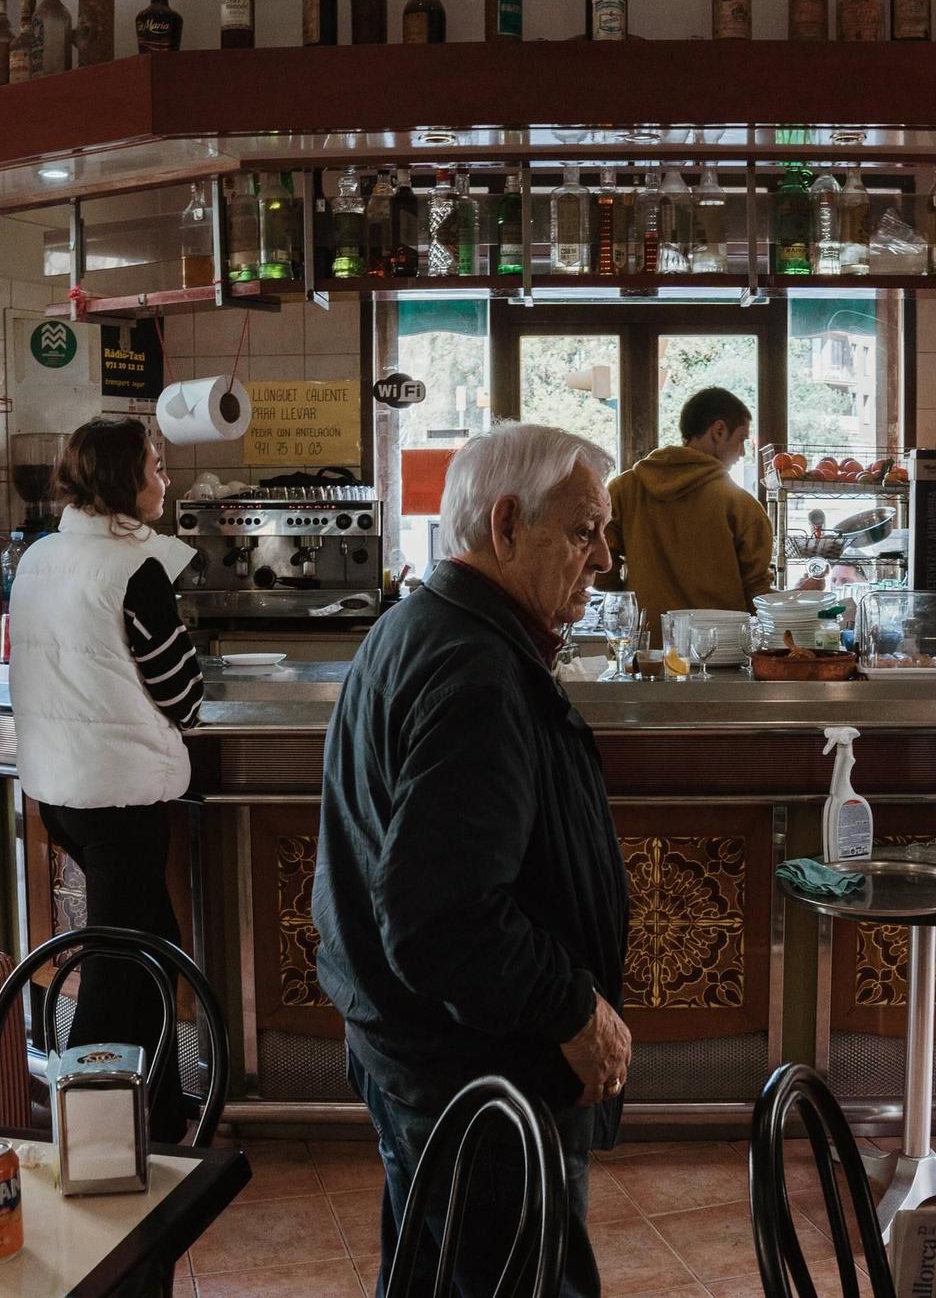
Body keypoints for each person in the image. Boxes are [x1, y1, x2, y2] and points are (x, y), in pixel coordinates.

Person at [313, 422, 633, 1297]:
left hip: (425, 1058)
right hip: (475, 1075)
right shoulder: (476, 670)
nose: (604, 556)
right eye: (582, 530)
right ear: (504, 527)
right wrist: (573, 1008)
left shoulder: (425, 625)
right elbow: (440, 913)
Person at [8, 417, 202, 1141]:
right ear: (126, 480)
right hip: (121, 792)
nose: (166, 477)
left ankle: (159, 1109)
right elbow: (180, 687)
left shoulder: (39, 556)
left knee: (154, 936)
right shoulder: (133, 569)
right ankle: (87, 1129)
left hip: (58, 790)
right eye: (156, 465)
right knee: (123, 960)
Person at [601, 387, 772, 634]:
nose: (743, 452)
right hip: (721, 652)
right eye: (742, 439)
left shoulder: (623, 489)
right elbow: (758, 595)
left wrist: (636, 596)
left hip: (643, 649)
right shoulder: (740, 504)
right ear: (719, 431)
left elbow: (600, 566)